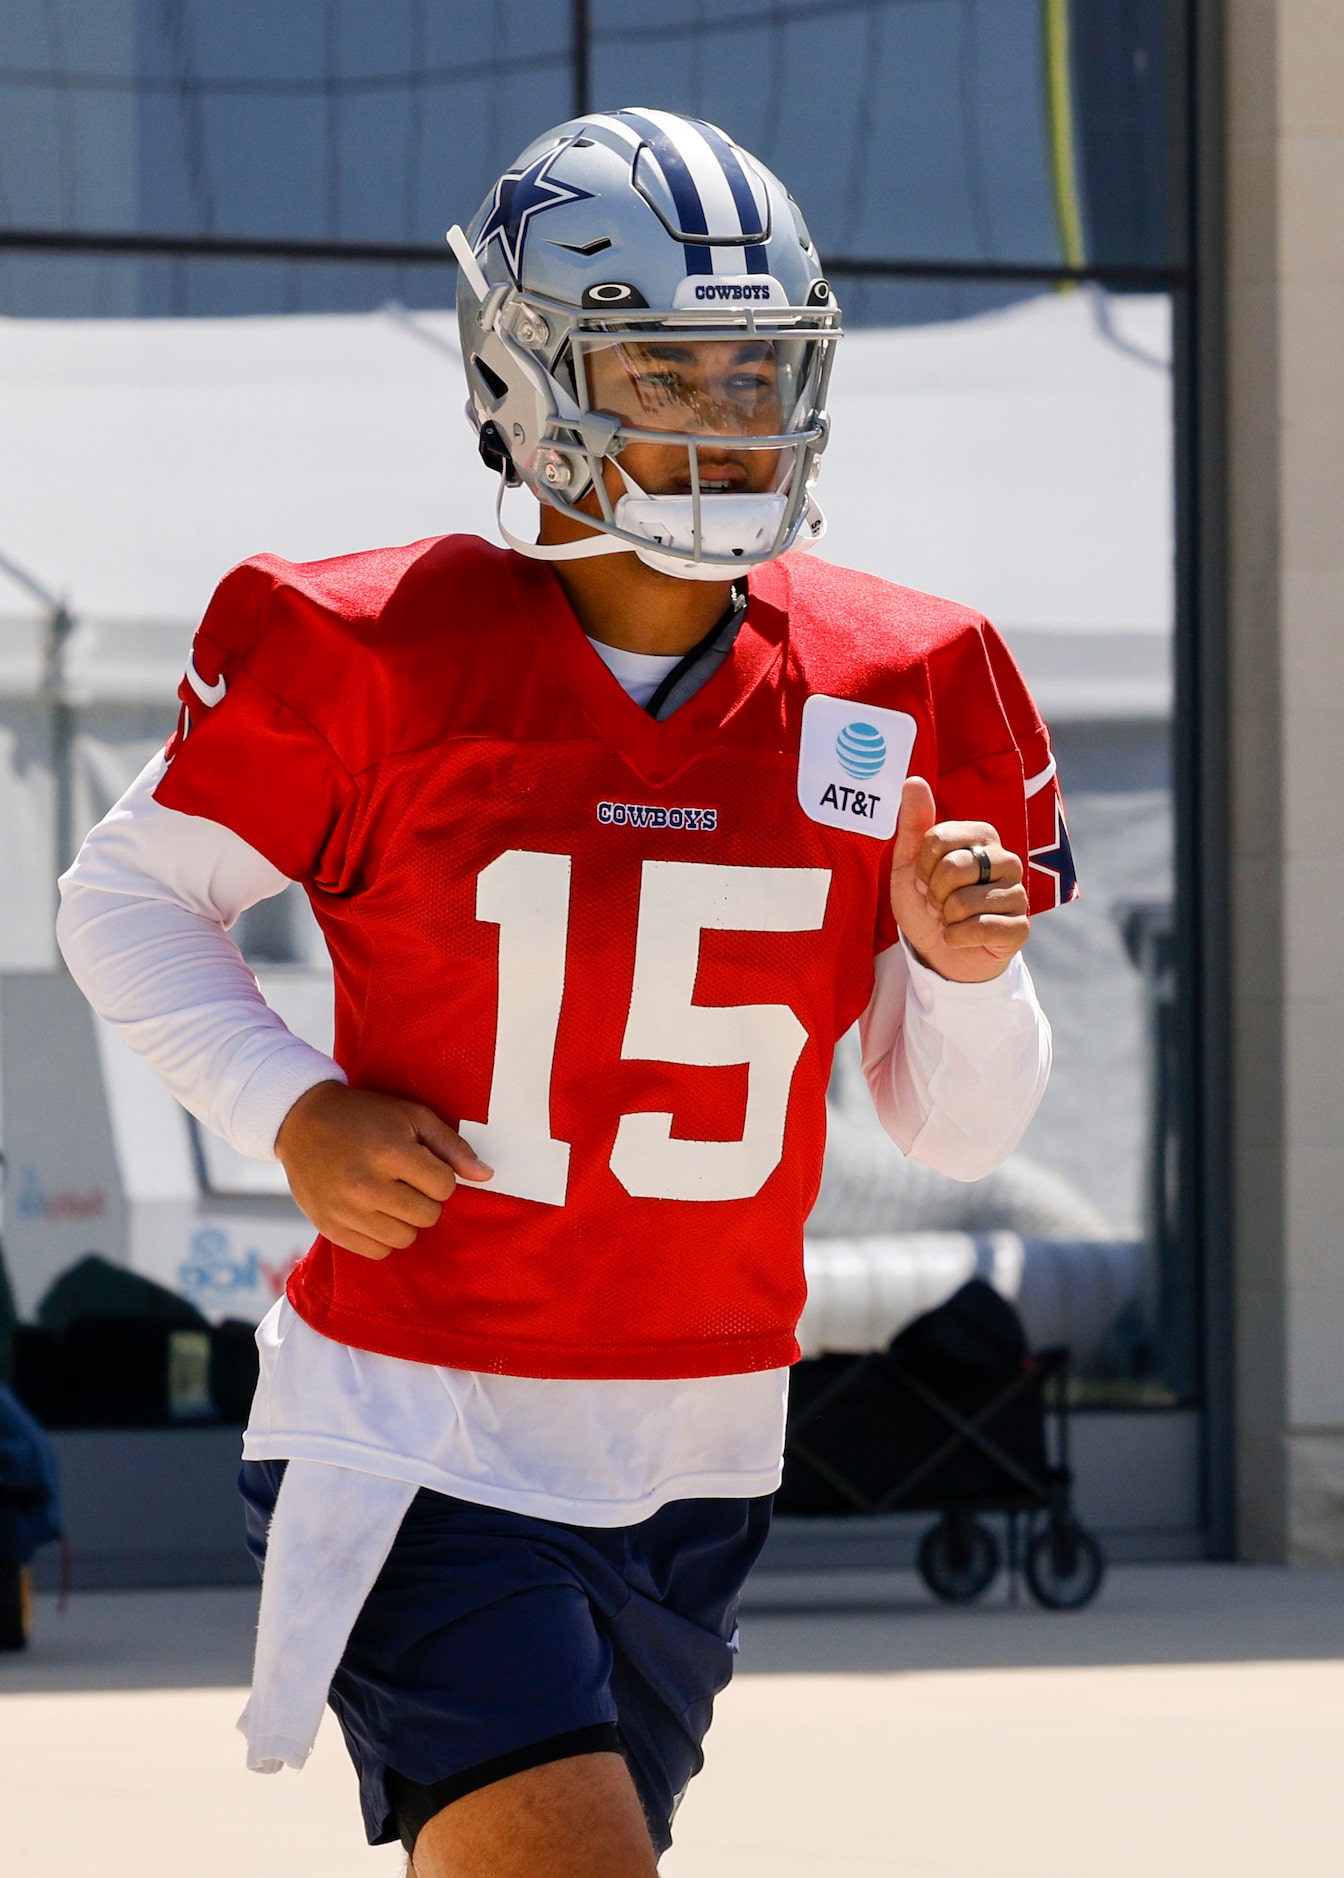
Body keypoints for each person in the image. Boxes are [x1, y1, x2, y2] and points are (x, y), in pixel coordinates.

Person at [57, 109, 1073, 1876]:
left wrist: (960, 969)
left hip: (700, 1440)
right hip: (413, 1418)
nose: (725, 421)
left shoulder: (904, 677)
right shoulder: (369, 645)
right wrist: (287, 1103)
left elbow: (960, 1121)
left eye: (756, 375)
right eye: (665, 373)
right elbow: (123, 896)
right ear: (528, 377)